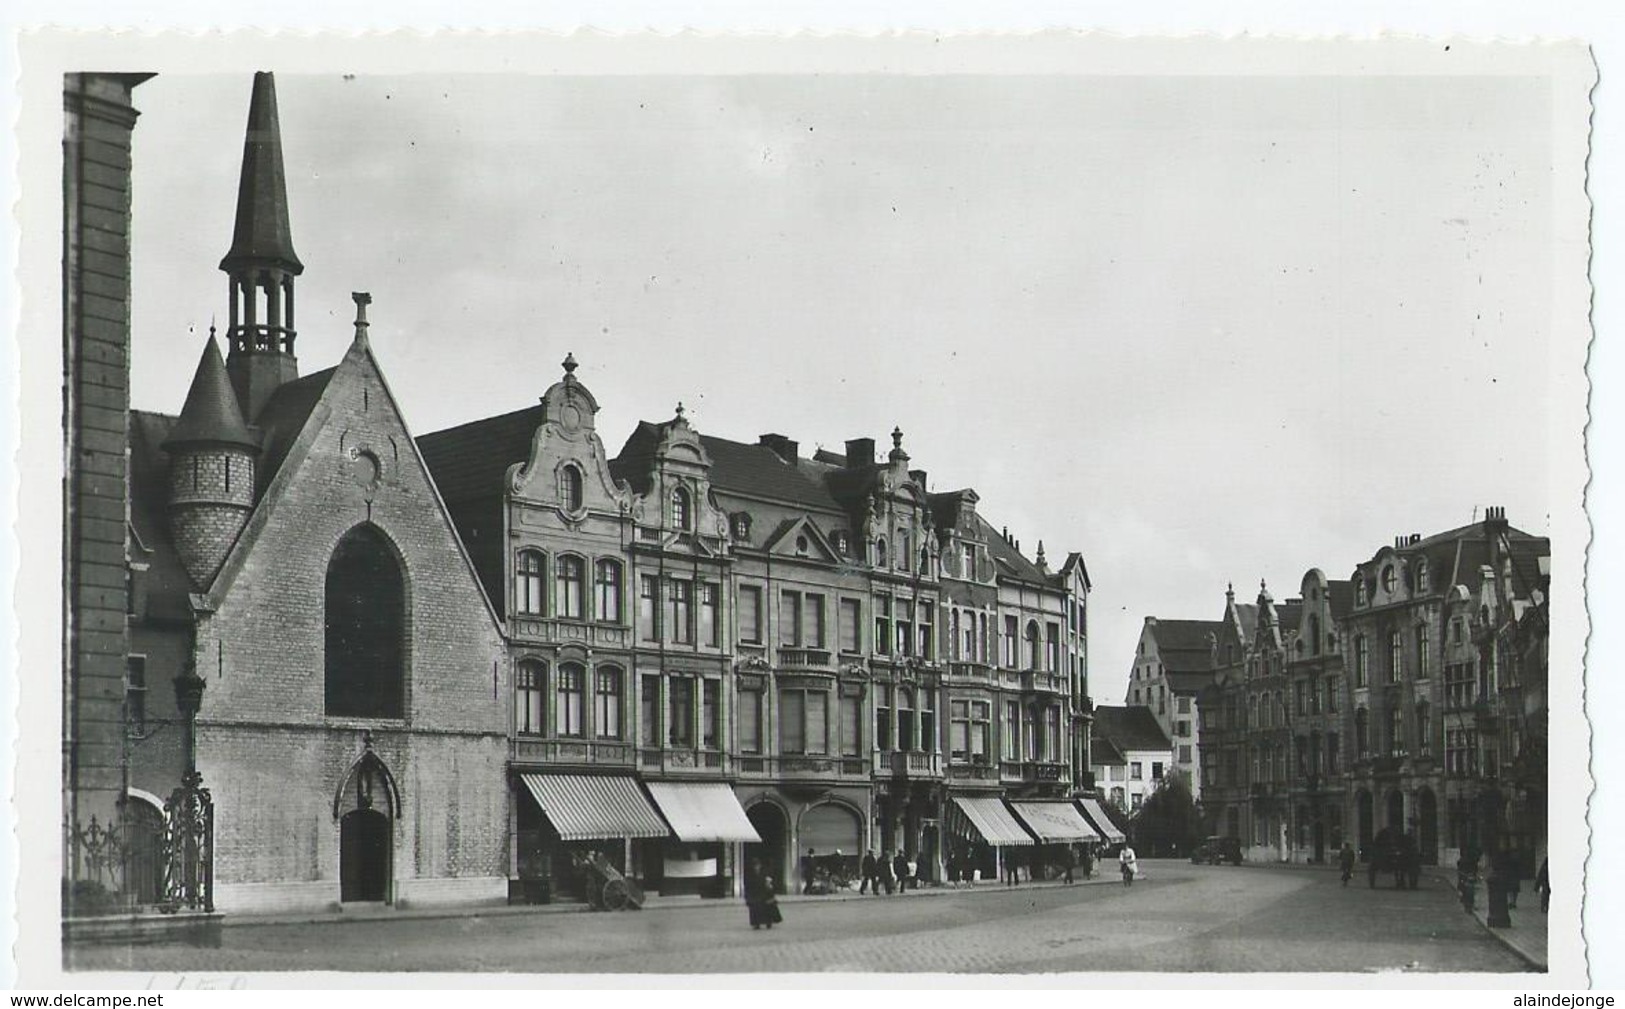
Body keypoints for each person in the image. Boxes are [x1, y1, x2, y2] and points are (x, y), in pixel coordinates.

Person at [744, 857, 781, 930]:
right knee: (755, 909)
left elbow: (769, 882)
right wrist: (747, 896)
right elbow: (748, 885)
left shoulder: (764, 872)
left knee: (766, 909)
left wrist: (770, 889)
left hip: (764, 893)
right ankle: (756, 923)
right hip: (754, 894)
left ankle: (768, 922)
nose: (756, 867)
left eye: (757, 865)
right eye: (755, 866)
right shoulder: (750, 874)